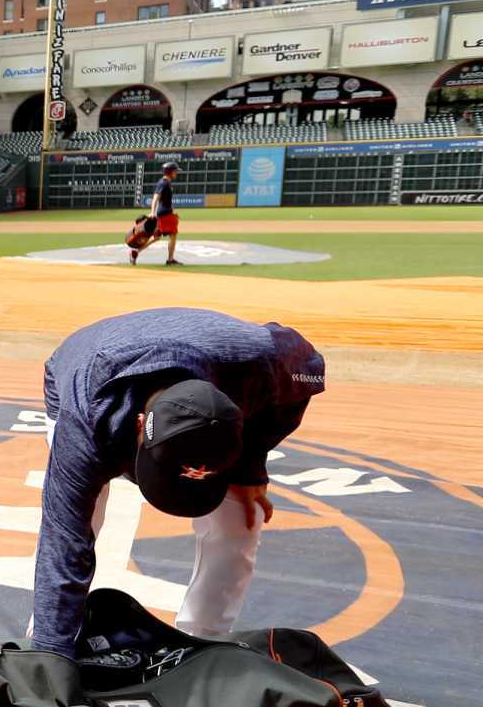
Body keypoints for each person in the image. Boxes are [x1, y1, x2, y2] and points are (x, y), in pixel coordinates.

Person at [26, 308, 325, 657]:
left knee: (240, 522)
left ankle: (205, 646)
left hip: (210, 360)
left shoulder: (263, 360)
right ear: (140, 426)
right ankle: (45, 643)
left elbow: (303, 381)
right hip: (82, 365)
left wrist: (250, 468)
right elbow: (62, 542)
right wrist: (49, 662)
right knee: (79, 520)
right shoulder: (87, 420)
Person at [151, 162, 181, 265]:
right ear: (170, 172)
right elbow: (155, 198)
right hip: (165, 214)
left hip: (165, 212)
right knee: (173, 234)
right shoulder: (164, 183)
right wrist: (152, 212)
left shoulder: (166, 182)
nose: (176, 173)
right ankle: (170, 259)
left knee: (157, 237)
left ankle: (136, 252)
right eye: (175, 171)